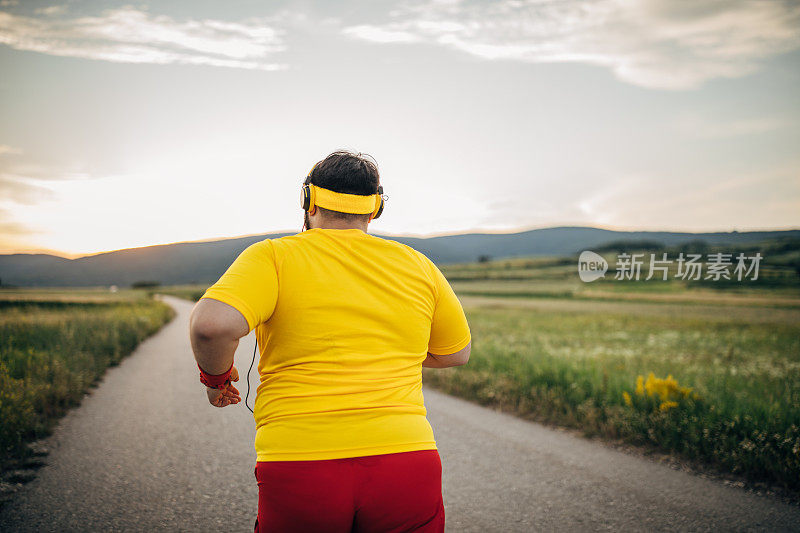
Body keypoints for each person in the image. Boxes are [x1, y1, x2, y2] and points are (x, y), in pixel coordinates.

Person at [189, 150, 471, 532]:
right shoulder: (419, 264)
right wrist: (382, 353)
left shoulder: (273, 256)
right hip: (407, 457)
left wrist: (217, 380)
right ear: (375, 209)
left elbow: (211, 326)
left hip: (300, 461)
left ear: (308, 201)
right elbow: (456, 353)